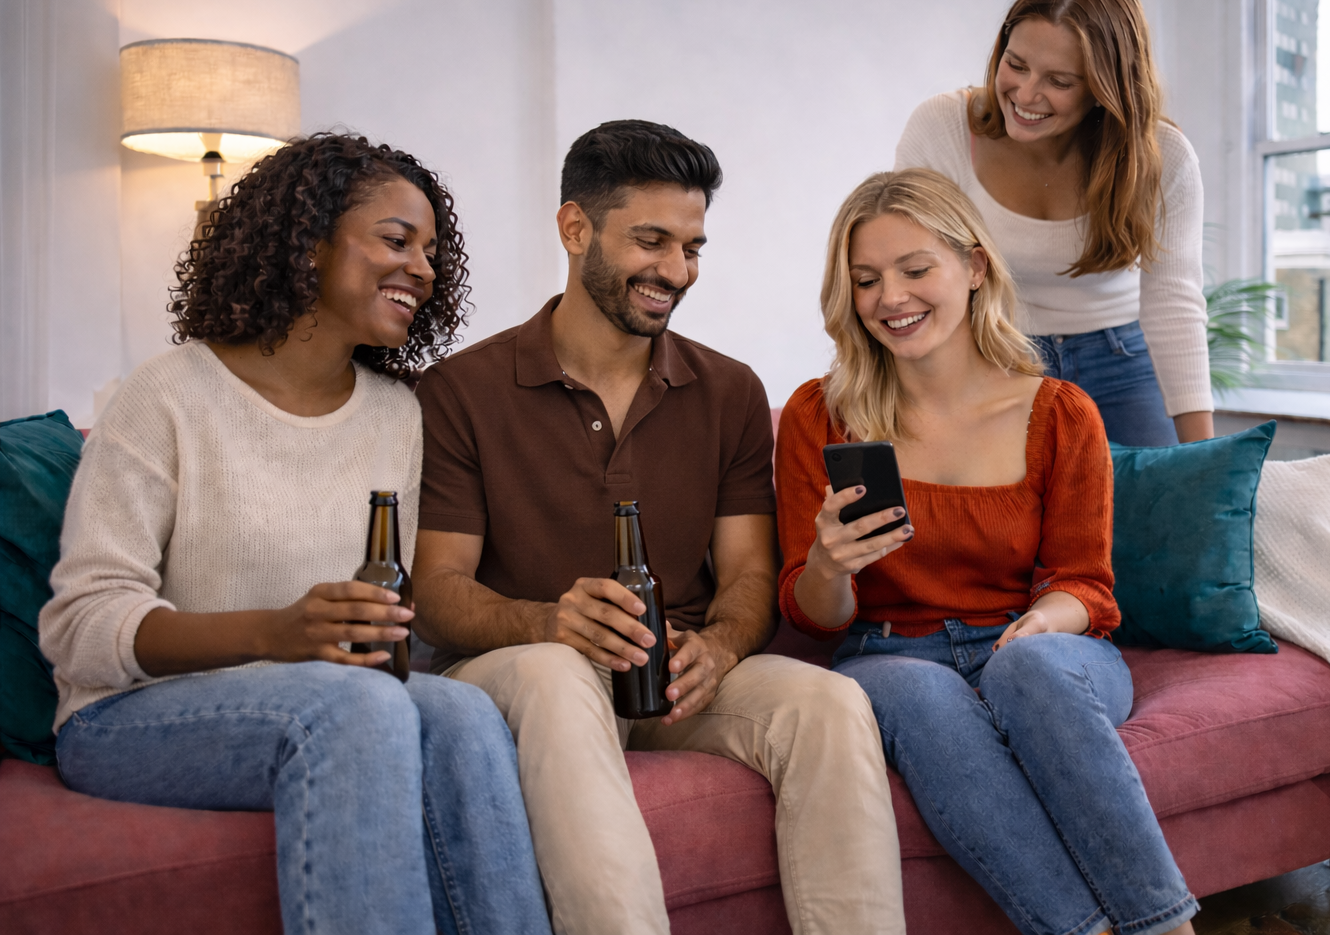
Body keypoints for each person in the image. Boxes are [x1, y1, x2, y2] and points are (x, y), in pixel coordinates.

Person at [40, 135, 552, 935]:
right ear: (308, 243)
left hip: (332, 698)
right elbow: (82, 627)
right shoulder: (167, 395)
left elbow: (400, 622)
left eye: (431, 252)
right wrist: (275, 635)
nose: (423, 269)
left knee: (462, 714)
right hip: (128, 715)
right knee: (358, 708)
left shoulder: (398, 416)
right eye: (397, 240)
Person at [410, 120, 905, 935]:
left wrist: (721, 647)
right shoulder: (461, 390)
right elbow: (435, 592)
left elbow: (750, 574)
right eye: (651, 241)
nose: (676, 271)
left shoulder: (729, 392)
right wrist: (550, 623)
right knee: (558, 675)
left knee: (829, 702)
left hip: (670, 676)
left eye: (692, 247)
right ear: (576, 229)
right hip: (522, 671)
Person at [776, 168, 1199, 935]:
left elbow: (1084, 584)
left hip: (1033, 647)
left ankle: (1169, 927)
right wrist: (829, 566)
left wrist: (1041, 622)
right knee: (921, 694)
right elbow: (814, 617)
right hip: (888, 654)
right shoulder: (819, 414)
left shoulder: (1060, 412)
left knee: (1024, 666)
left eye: (915, 270)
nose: (890, 298)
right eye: (866, 280)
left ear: (974, 267)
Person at [895, 0, 1210, 447]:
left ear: (1105, 89)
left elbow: (1175, 303)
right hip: (996, 353)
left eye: (1059, 81)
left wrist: (1204, 459)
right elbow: (909, 274)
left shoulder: (1162, 157)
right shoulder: (942, 128)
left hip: (1121, 359)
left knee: (1158, 492)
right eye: (1016, 64)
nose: (1025, 94)